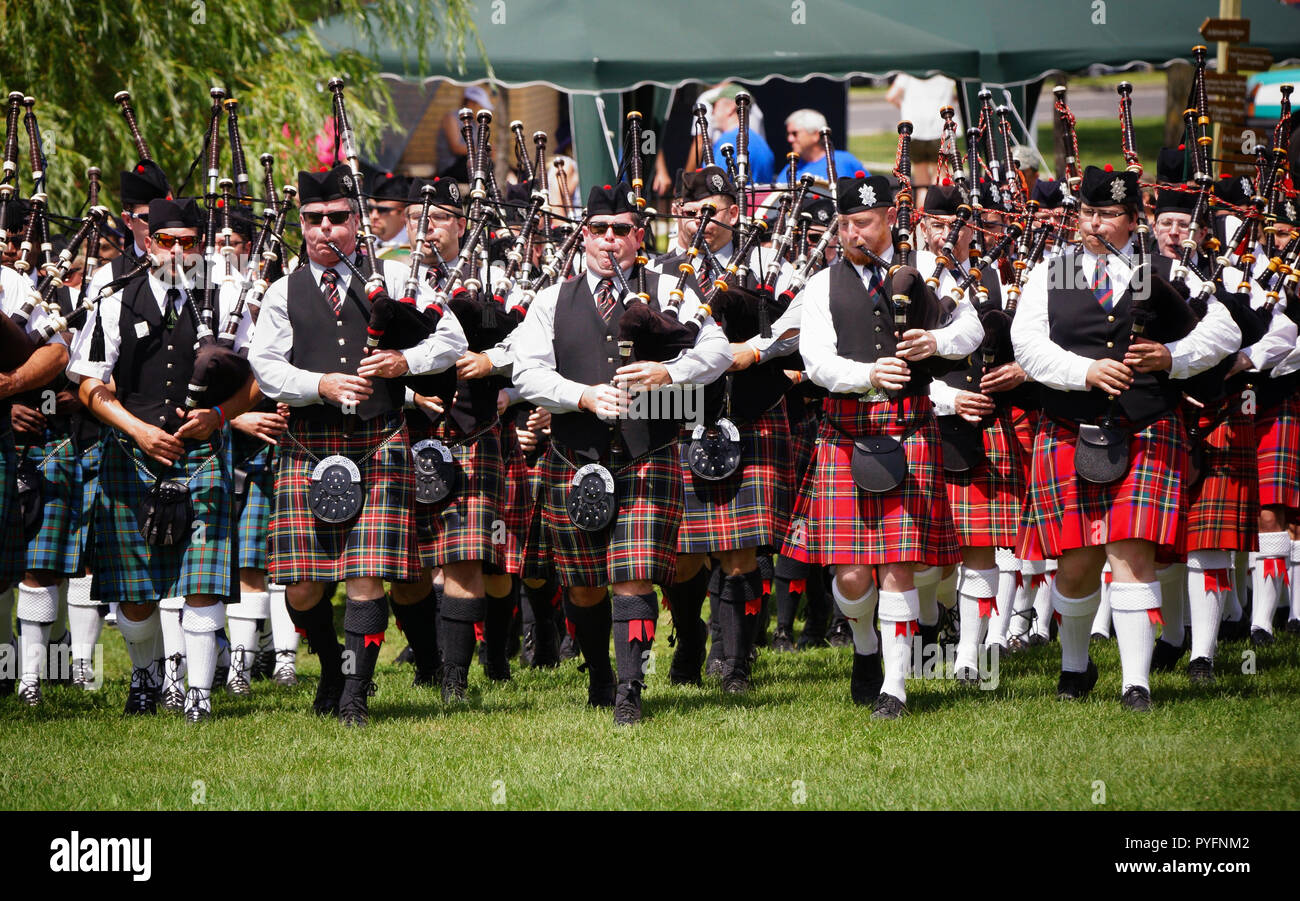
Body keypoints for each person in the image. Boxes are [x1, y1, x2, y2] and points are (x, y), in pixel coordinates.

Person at [1010, 165, 1240, 712]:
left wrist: (1172, 357)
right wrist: (1083, 372)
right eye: (1088, 213)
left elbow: (1226, 329)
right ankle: (1075, 667)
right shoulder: (1052, 272)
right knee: (1077, 561)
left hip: (1144, 426)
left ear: (1132, 220)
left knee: (1130, 552)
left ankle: (1136, 682)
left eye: (1109, 215)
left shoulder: (1162, 270)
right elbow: (1027, 344)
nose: (1095, 224)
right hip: (1070, 426)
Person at [247, 164, 467, 727]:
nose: (326, 229)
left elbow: (451, 340)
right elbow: (266, 367)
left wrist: (404, 362)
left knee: (367, 573)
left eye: (338, 218)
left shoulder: (393, 279)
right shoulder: (281, 291)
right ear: (301, 223)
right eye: (314, 219)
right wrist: (317, 384)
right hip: (309, 442)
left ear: (357, 220)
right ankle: (331, 668)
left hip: (378, 439)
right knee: (301, 585)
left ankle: (355, 695)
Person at [512, 182, 731, 725]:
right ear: (582, 236)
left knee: (632, 575)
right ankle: (601, 675)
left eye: (621, 229)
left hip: (646, 454)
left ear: (639, 235)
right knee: (583, 586)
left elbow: (718, 349)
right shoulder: (551, 300)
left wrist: (669, 373)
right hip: (573, 455)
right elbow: (527, 372)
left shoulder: (671, 288)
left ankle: (631, 691)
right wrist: (580, 395)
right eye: (598, 229)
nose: (609, 240)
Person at [781, 173, 982, 718]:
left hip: (909, 428)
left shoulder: (927, 272)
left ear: (890, 220)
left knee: (899, 563)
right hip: (847, 431)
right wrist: (869, 371)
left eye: (863, 223)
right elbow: (817, 362)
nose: (852, 233)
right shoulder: (823, 285)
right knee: (849, 571)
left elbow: (973, 330)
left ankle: (895, 684)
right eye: (844, 224)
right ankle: (865, 647)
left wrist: (936, 340)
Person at [67, 196, 258, 722]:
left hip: (202, 452)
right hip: (132, 452)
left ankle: (197, 692)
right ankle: (147, 675)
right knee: (134, 590)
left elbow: (257, 380)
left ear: (201, 244)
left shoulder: (228, 295)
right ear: (149, 241)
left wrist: (218, 416)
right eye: (166, 241)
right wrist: (137, 429)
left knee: (199, 580)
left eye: (188, 242)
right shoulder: (114, 297)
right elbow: (87, 381)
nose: (176, 251)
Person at [657, 167, 794, 692]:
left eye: (713, 212)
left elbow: (796, 326)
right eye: (693, 213)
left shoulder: (766, 263)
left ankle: (735, 660)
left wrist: (758, 346)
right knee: (686, 550)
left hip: (749, 414)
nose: (703, 222)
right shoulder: (662, 273)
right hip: (681, 417)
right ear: (679, 216)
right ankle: (691, 642)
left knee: (739, 546)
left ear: (735, 212)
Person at [1, 255, 72, 699]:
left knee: (32, 565)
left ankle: (28, 672)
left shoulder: (9, 283)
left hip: (37, 439)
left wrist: (9, 388)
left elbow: (58, 353)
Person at [885, 74, 956, 187]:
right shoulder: (945, 72)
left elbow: (891, 96)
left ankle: (923, 204)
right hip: (943, 131)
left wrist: (905, 107)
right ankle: (939, 203)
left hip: (914, 131)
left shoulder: (908, 72)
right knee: (941, 174)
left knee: (921, 180)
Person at [710, 85, 775, 185]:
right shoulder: (762, 144)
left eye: (715, 106)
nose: (712, 112)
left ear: (730, 108)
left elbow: (714, 185)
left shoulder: (727, 141)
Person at [785, 110, 867, 184]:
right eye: (788, 134)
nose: (790, 139)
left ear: (815, 135)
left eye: (795, 134)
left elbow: (871, 192)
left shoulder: (846, 160)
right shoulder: (791, 169)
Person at [437, 86, 493, 182]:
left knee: (493, 166)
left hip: (467, 163)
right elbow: (456, 148)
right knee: (487, 168)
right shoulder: (452, 118)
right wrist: (484, 151)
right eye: (481, 106)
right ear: (471, 103)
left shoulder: (475, 122)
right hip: (451, 167)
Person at [367, 171, 411, 260]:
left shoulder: (413, 247)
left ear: (403, 214)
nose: (374, 216)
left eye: (382, 210)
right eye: (370, 209)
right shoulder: (362, 243)